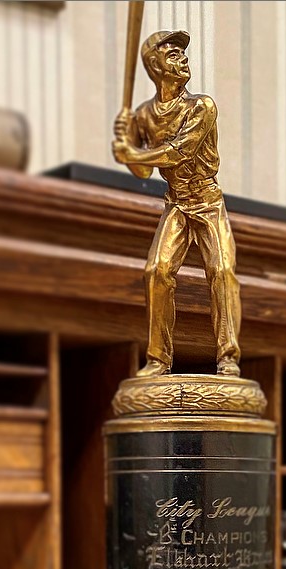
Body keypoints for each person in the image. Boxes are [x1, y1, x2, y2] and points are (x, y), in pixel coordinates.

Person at [112, 29, 241, 379]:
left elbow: (177, 152)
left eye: (182, 54)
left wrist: (134, 151)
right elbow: (142, 170)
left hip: (207, 201)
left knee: (222, 272)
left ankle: (228, 356)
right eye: (172, 54)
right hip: (177, 203)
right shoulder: (144, 116)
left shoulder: (201, 106)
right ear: (155, 66)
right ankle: (158, 360)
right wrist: (125, 145)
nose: (183, 59)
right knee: (157, 271)